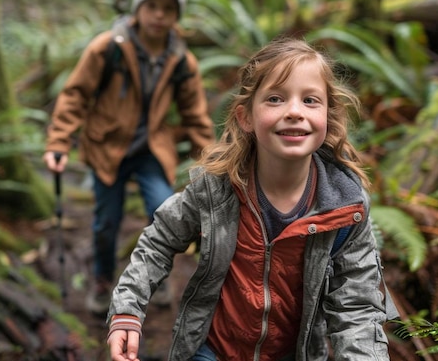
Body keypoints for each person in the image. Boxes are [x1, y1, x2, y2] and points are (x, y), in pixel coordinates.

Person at [105, 37, 398, 361]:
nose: (294, 112)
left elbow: (358, 307)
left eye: (311, 100)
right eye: (275, 98)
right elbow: (159, 240)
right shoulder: (216, 189)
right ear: (246, 117)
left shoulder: (345, 208)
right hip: (212, 349)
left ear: (328, 115)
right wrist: (127, 310)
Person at [43, 0, 214, 317]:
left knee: (165, 212)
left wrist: (212, 163)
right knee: (107, 222)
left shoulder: (181, 59)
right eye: (152, 5)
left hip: (152, 149)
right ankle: (104, 279)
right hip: (108, 148)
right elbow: (75, 95)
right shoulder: (109, 47)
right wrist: (59, 142)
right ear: (139, 6)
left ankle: (157, 276)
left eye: (169, 8)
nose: (159, 15)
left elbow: (196, 116)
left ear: (177, 14)